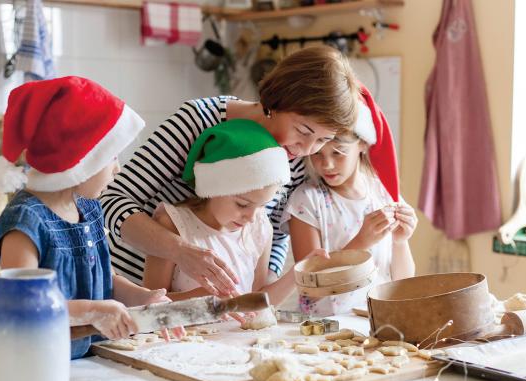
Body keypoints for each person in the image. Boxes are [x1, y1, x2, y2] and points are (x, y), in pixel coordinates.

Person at [100, 46, 362, 296]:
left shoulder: (295, 158)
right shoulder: (197, 121)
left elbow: (275, 233)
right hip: (128, 287)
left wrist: (259, 290)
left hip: (212, 310)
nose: (307, 149)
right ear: (277, 100)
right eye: (304, 131)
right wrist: (180, 251)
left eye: (322, 140)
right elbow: (112, 201)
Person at [0, 76, 183, 359]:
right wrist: (94, 311)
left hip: (86, 362)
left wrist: (143, 299)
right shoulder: (25, 222)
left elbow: (107, 279)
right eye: (111, 157)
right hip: (34, 366)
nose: (117, 169)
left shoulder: (90, 210)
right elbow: (24, 306)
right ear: (80, 158)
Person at [143, 120, 327, 310]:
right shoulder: (172, 226)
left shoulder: (260, 228)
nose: (251, 217)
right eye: (242, 204)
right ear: (214, 188)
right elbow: (148, 306)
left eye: (262, 205)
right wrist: (203, 301)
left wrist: (298, 274)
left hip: (237, 339)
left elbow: (257, 302)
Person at [281, 87, 417, 317]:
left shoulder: (383, 193)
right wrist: (360, 242)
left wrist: (401, 242)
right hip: (325, 328)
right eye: (318, 154)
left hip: (378, 321)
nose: (327, 165)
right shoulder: (306, 201)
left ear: (362, 145)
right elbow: (308, 286)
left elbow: (403, 283)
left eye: (338, 153)